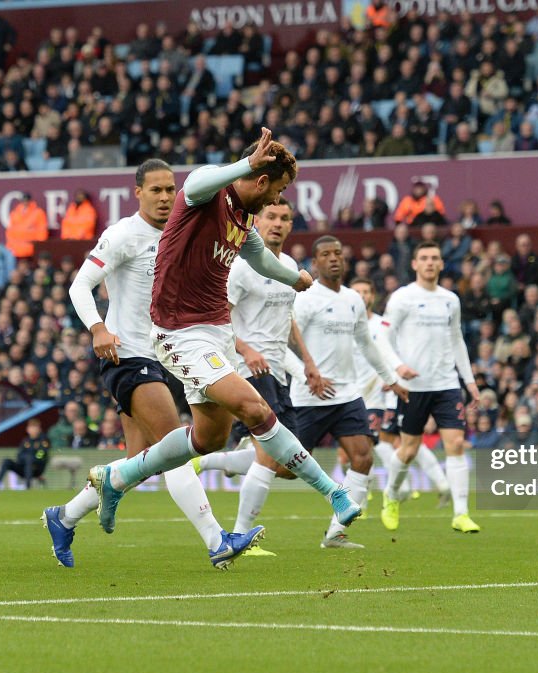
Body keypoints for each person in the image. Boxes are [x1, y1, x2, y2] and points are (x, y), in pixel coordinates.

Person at [86, 129, 363, 549]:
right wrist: (246, 164)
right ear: (261, 179)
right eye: (278, 191)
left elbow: (261, 260)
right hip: (179, 333)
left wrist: (297, 277)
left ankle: (117, 477)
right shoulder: (206, 193)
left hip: (216, 334)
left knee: (207, 439)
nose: (276, 201)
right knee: (255, 407)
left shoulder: (243, 220)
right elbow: (196, 183)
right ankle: (333, 493)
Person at [43, 159, 258, 569]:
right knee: (172, 446)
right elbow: (79, 285)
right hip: (129, 355)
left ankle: (64, 516)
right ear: (137, 192)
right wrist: (97, 329)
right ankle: (217, 541)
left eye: (170, 190)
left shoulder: (185, 231)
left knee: (139, 461)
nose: (164, 198)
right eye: (155, 190)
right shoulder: (124, 234)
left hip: (169, 354)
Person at [192, 197, 324, 557]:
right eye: (270, 216)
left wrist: (306, 363)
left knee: (291, 464)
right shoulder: (241, 266)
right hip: (248, 370)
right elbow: (218, 316)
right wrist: (246, 350)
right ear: (257, 221)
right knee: (271, 456)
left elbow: (287, 318)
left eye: (284, 217)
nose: (277, 223)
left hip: (278, 372)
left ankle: (210, 461)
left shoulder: (289, 266)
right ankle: (240, 537)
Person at [286, 237, 409, 548]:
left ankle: (335, 532)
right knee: (282, 468)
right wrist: (305, 374)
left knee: (363, 458)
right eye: (326, 254)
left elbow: (367, 344)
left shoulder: (354, 298)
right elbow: (285, 341)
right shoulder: (306, 298)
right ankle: (217, 462)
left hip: (347, 396)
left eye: (338, 253)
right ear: (314, 263)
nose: (333, 259)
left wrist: (390, 378)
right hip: (309, 396)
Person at [380, 240, 482, 534]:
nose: (429, 262)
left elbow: (456, 341)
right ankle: (391, 494)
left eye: (434, 258)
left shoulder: (451, 299)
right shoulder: (402, 298)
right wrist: (398, 367)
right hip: (413, 386)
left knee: (455, 444)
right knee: (408, 449)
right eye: (423, 258)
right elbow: (383, 339)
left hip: (447, 384)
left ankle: (461, 514)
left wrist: (470, 381)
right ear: (414, 264)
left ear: (440, 263)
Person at [348, 277, 447, 513]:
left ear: (372, 296)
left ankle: (378, 496)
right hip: (354, 393)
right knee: (383, 442)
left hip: (385, 394)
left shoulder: (382, 325)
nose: (362, 296)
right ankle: (406, 487)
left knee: (382, 442)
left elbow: (397, 352)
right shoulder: (341, 326)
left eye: (366, 291)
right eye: (357, 292)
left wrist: (390, 377)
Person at [0, 418, 50, 489]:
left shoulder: (43, 440)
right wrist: (25, 459)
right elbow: (19, 455)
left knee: (29, 459)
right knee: (6, 461)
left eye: (35, 428)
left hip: (36, 468)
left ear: (39, 429)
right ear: (27, 429)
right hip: (23, 467)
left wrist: (34, 459)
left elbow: (42, 453)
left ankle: (28, 487)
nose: (33, 430)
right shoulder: (25, 441)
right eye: (31, 428)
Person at [5, 193, 48, 259]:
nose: (25, 203)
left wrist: (38, 246)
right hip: (16, 250)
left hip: (31, 249)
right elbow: (10, 232)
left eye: (27, 200)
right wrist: (10, 247)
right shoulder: (15, 213)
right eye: (23, 201)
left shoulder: (38, 213)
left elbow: (42, 232)